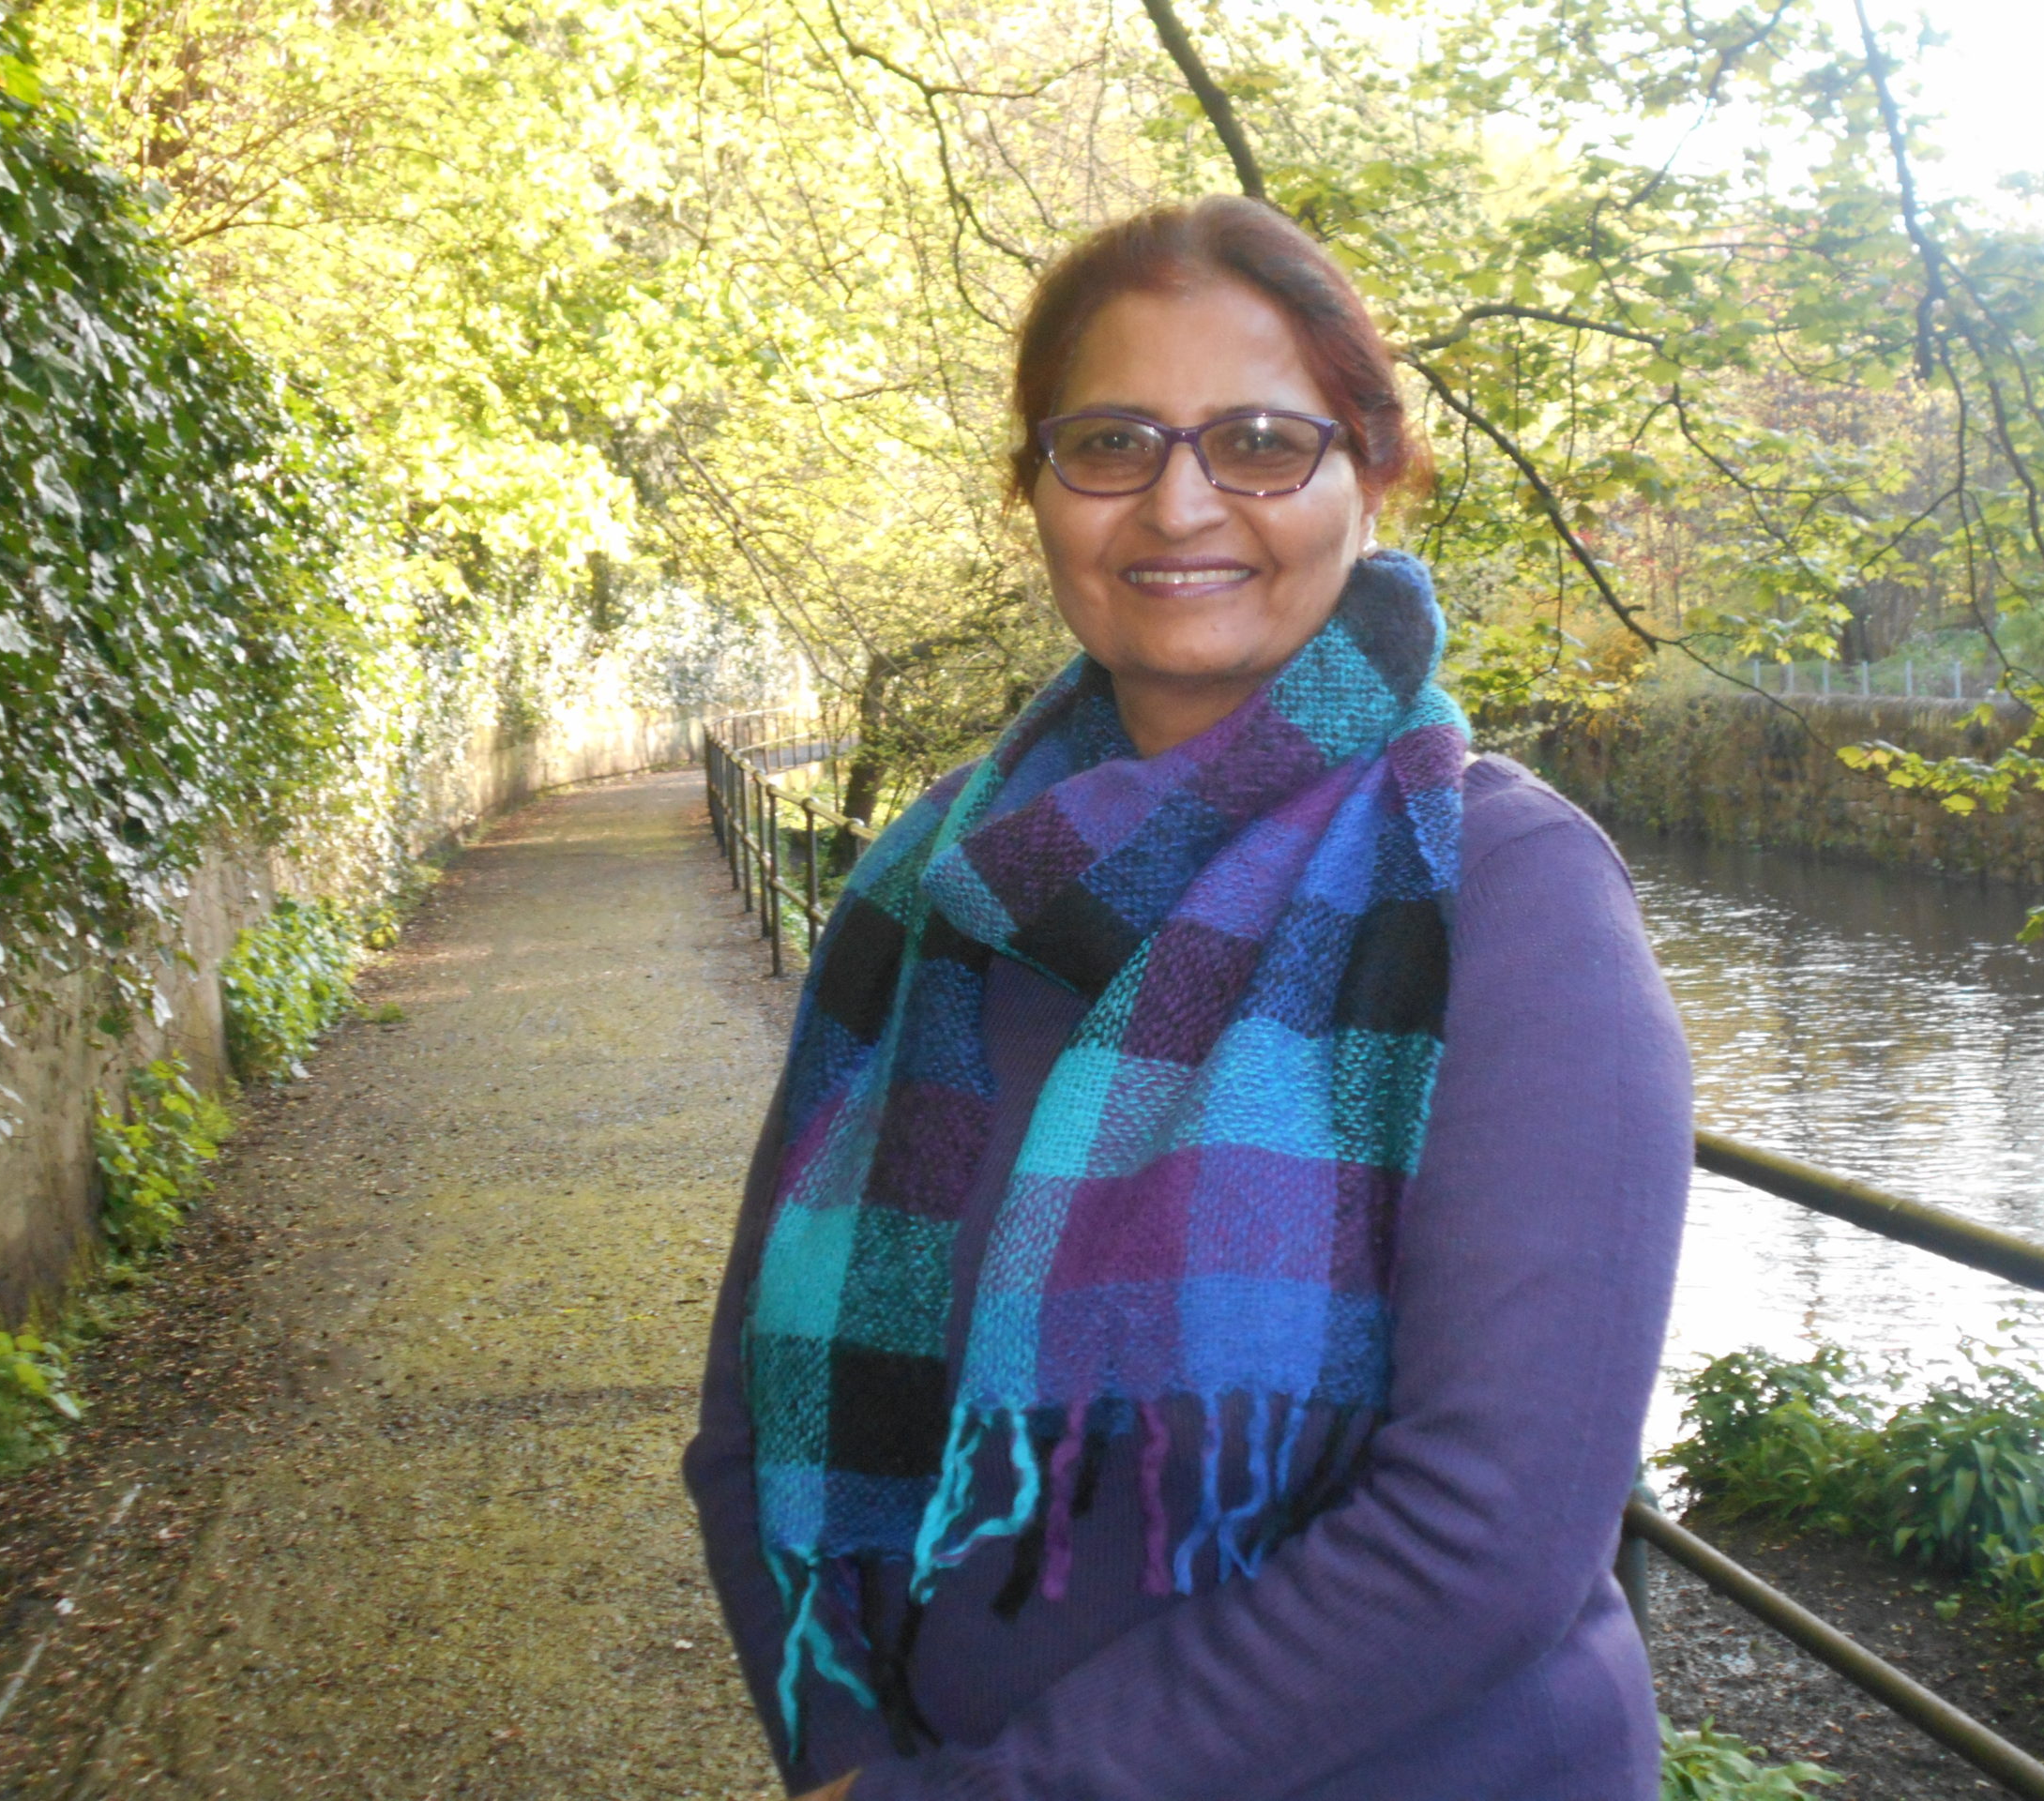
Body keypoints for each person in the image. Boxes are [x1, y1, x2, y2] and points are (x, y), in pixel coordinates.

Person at [685, 194, 1693, 1801]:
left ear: (1374, 470)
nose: (1179, 502)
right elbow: (752, 1421)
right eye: (1109, 442)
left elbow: (1486, 1530)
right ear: (1035, 490)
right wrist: (844, 1756)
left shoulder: (1504, 892)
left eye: (1262, 443)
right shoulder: (927, 883)